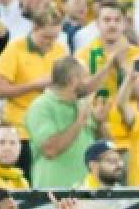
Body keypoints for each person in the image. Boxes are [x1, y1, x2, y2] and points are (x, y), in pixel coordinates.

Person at [0, 6, 70, 168]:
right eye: (46, 37)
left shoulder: (60, 50)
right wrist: (33, 85)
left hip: (50, 130)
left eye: (54, 38)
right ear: (34, 28)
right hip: (22, 130)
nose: (50, 43)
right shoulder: (15, 49)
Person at [26, 57, 110, 188]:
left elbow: (106, 150)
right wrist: (80, 121)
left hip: (87, 192)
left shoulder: (83, 103)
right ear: (72, 80)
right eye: (86, 77)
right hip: (54, 195)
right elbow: (50, 149)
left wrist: (100, 123)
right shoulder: (41, 106)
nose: (90, 83)